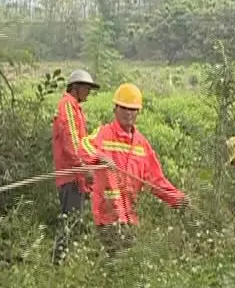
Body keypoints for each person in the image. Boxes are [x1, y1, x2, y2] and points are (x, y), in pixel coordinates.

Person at [78, 83, 189, 254]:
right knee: (118, 263)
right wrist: (100, 156)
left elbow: (156, 180)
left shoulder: (141, 144)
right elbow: (83, 146)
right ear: (115, 109)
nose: (128, 113)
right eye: (124, 108)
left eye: (133, 109)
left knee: (127, 266)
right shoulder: (104, 133)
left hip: (130, 217)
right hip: (107, 215)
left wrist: (177, 199)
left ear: (138, 112)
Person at [51, 69, 100, 264]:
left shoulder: (74, 108)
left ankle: (63, 261)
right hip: (71, 175)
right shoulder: (68, 106)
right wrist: (82, 167)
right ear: (76, 88)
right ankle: (59, 263)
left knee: (73, 220)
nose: (88, 93)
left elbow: (80, 142)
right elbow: (71, 141)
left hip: (74, 175)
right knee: (70, 221)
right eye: (86, 88)